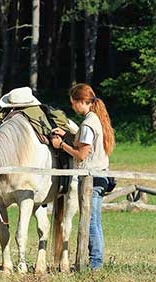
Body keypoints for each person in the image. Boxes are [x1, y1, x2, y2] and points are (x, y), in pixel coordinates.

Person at [51, 83, 115, 270]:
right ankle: (96, 262)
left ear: (81, 102)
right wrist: (68, 135)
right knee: (94, 220)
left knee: (91, 222)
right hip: (100, 176)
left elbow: (81, 154)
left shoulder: (88, 123)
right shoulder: (95, 119)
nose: (72, 107)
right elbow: (84, 143)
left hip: (91, 179)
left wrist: (60, 145)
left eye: (73, 103)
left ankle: (95, 264)